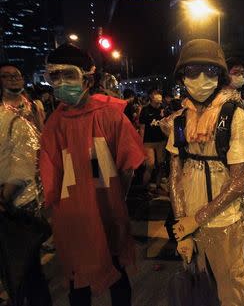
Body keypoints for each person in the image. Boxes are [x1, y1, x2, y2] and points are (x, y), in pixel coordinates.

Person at [39, 43, 145, 306]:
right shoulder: (54, 123)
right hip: (72, 218)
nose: (61, 83)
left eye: (68, 75)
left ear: (87, 78)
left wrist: (113, 200)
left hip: (107, 210)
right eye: (55, 76)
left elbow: (127, 167)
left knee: (116, 272)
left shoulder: (110, 115)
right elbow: (51, 175)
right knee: (78, 283)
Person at [166, 39, 244, 305]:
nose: (201, 79)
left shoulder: (232, 115)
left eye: (210, 71)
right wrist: (182, 225)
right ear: (182, 76)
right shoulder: (181, 118)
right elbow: (175, 175)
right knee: (200, 287)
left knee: (232, 286)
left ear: (220, 76)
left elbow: (239, 182)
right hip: (189, 220)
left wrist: (198, 218)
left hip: (224, 221)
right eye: (192, 72)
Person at [0, 63, 52, 306]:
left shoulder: (33, 106)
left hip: (25, 191)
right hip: (10, 187)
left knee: (25, 260)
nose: (12, 79)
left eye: (16, 75)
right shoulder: (2, 112)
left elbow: (41, 137)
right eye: (6, 76)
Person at [138, 89, 167, 196]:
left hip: (161, 141)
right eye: (156, 96)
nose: (158, 102)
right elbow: (142, 128)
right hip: (148, 142)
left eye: (160, 100)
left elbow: (167, 124)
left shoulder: (163, 109)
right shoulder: (145, 110)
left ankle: (158, 186)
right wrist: (141, 143)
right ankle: (145, 188)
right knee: (150, 165)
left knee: (161, 164)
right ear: (151, 97)